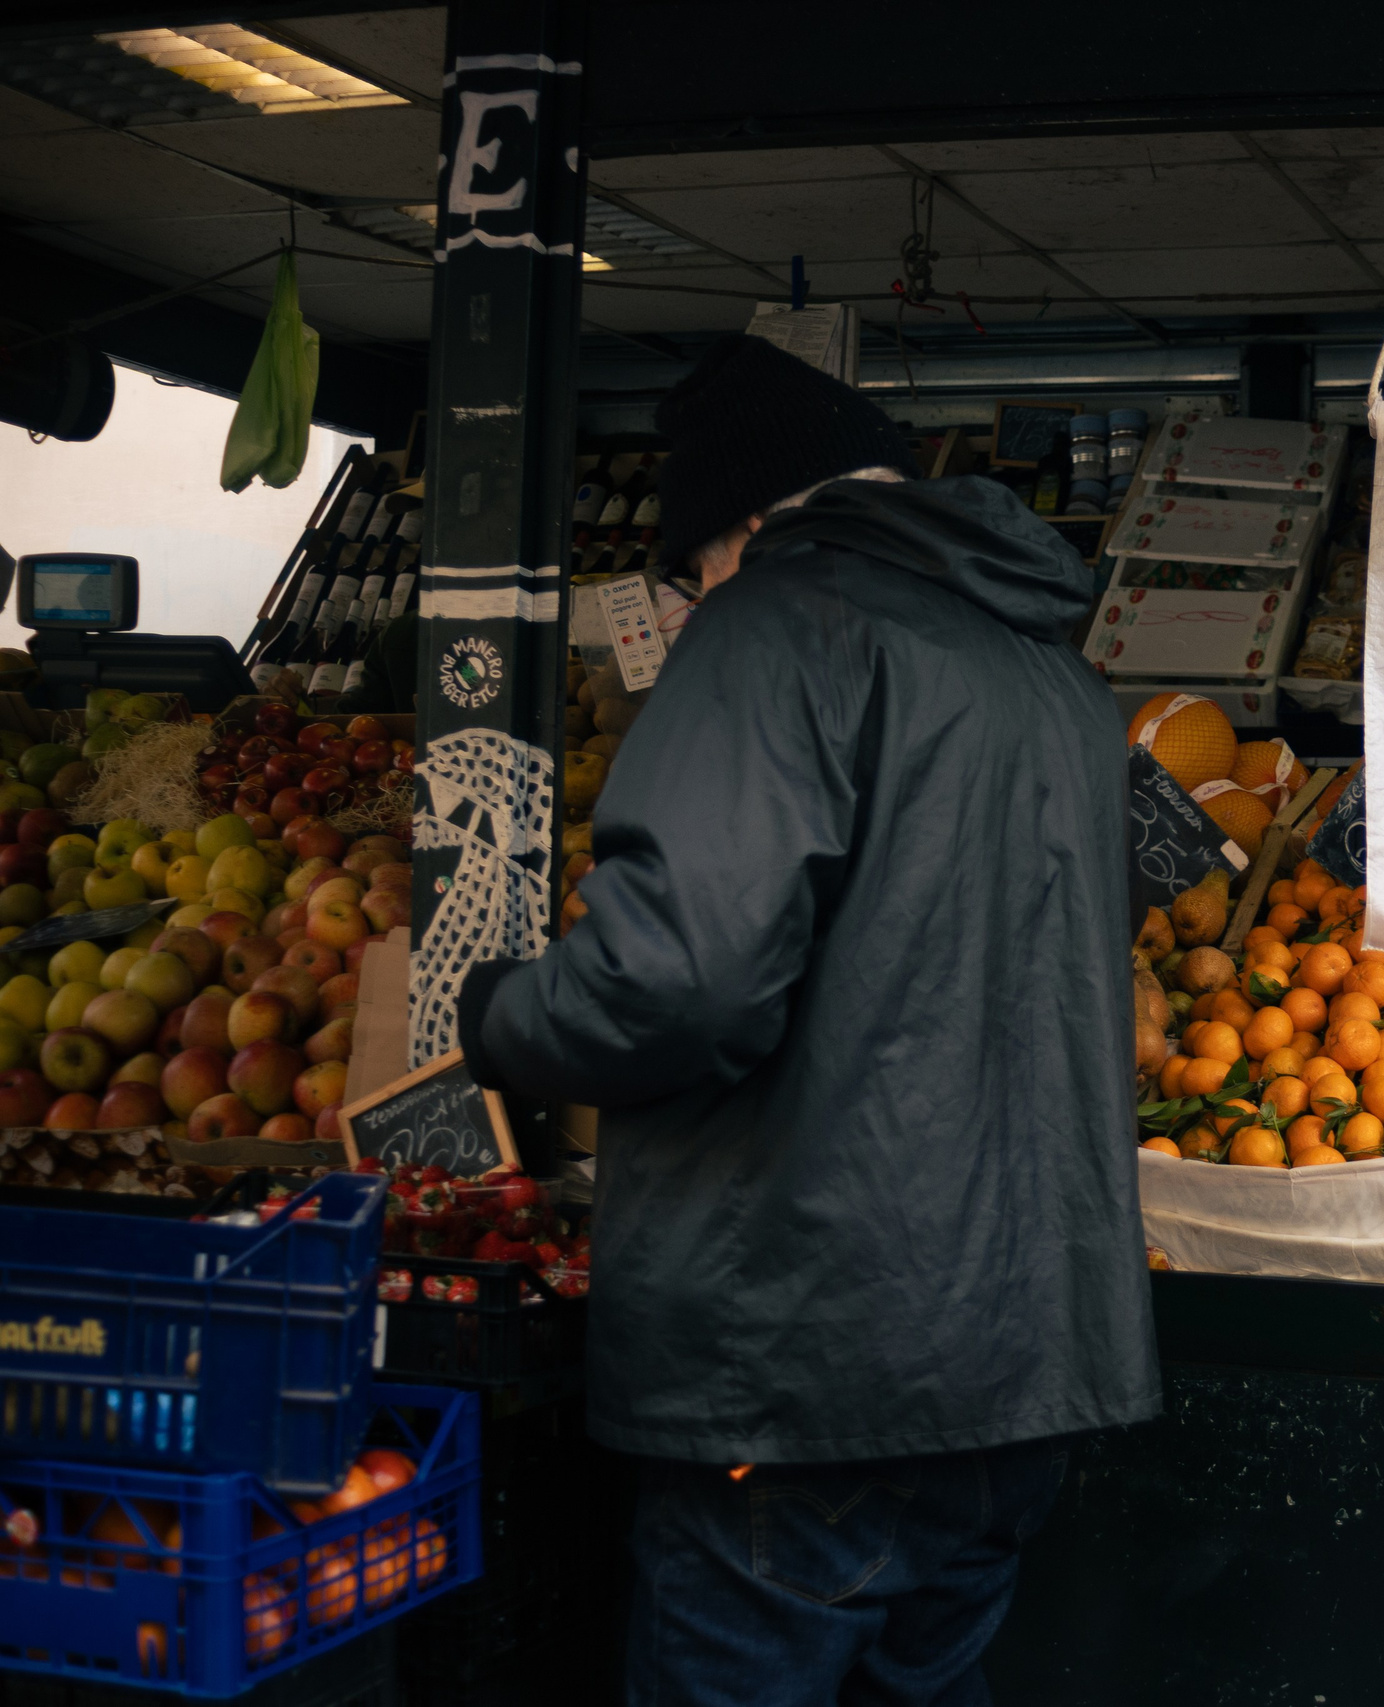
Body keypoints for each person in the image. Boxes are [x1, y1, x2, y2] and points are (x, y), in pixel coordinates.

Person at [452, 334, 1160, 1706]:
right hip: (1022, 1365)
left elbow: (678, 978)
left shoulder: (778, 624)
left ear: (743, 527)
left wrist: (501, 1012)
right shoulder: (1053, 676)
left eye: (689, 567)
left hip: (813, 1368)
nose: (693, 596)